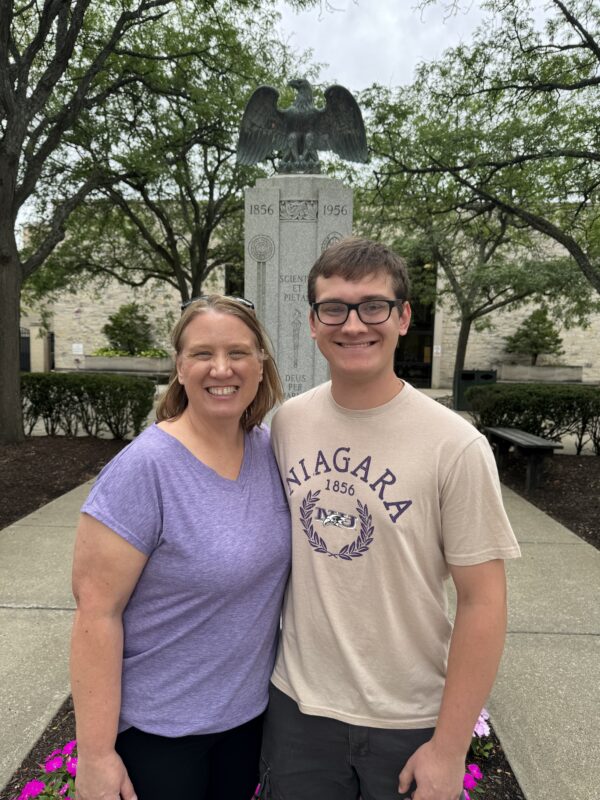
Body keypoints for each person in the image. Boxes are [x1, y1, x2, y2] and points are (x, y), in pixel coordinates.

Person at [260, 238, 521, 800]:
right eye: (334, 308)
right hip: (300, 711)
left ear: (403, 317)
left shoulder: (455, 445)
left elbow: (483, 601)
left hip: (409, 719)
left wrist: (450, 748)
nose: (354, 324)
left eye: (373, 306)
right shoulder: (287, 425)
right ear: (313, 323)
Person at [70, 295, 291, 800]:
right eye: (202, 354)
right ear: (180, 366)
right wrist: (95, 756)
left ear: (260, 364)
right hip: (158, 734)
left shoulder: (268, 451)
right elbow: (95, 614)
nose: (221, 369)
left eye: (238, 352)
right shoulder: (145, 469)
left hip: (246, 722)